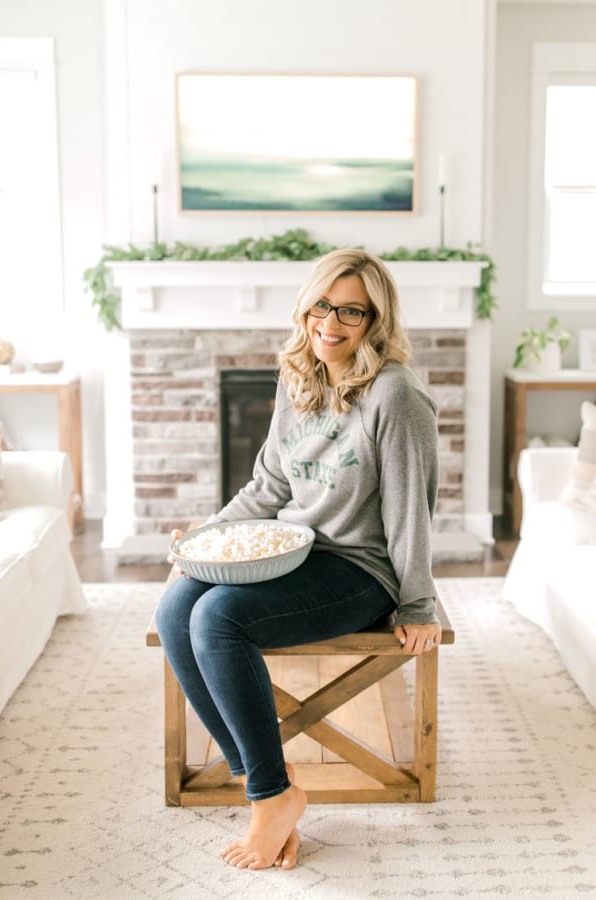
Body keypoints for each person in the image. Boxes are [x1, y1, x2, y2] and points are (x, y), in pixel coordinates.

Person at [155, 248, 442, 871]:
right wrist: (203, 540)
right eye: (321, 305)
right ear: (305, 306)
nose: (330, 323)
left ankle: (267, 797)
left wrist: (419, 601)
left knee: (218, 619)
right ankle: (268, 780)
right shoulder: (301, 375)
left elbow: (411, 507)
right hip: (298, 550)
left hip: (362, 571)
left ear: (376, 320)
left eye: (351, 312)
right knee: (179, 604)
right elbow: (270, 487)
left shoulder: (395, 395)